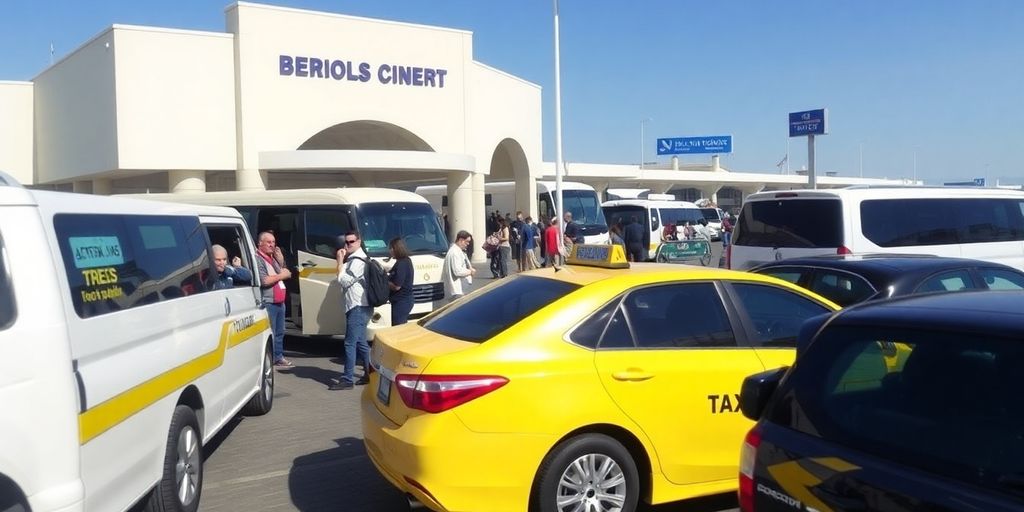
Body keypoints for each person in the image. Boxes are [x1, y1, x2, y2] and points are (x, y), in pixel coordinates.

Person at [329, 231, 371, 390]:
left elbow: (345, 281)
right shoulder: (355, 259)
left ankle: (347, 379)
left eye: (351, 242)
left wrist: (339, 262)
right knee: (361, 343)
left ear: (359, 241)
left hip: (358, 306)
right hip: (358, 306)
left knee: (349, 343)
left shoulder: (358, 261)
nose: (347, 245)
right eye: (345, 242)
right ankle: (369, 373)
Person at [255, 232, 293, 368]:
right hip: (269, 302)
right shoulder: (258, 259)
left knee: (280, 332)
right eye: (269, 242)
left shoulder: (272, 258)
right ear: (260, 243)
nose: (272, 245)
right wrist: (282, 275)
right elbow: (264, 280)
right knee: (270, 333)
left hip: (279, 302)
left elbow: (284, 272)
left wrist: (281, 261)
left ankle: (278, 357)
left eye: (273, 242)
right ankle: (269, 360)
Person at [386, 237, 414, 326]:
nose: (390, 251)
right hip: (404, 300)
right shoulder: (406, 261)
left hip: (401, 302)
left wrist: (385, 282)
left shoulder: (401, 264)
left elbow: (397, 286)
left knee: (398, 328)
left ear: (396, 249)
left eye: (391, 248)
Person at [443, 230, 475, 301]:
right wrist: (470, 272)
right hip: (457, 292)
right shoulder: (455, 253)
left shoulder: (457, 251)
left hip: (459, 291)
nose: (468, 244)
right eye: (467, 241)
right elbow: (457, 271)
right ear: (461, 240)